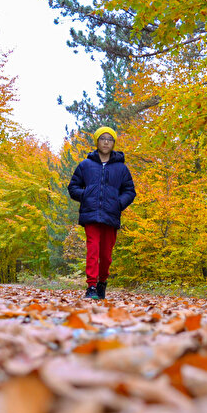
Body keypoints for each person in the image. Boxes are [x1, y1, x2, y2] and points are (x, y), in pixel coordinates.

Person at [67, 126, 135, 300]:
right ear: (97, 141)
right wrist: (87, 196)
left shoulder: (121, 168)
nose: (106, 142)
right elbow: (73, 187)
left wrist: (118, 203)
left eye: (109, 139)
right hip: (91, 214)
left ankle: (102, 282)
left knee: (106, 255)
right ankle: (91, 286)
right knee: (93, 250)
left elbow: (129, 191)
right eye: (102, 138)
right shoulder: (85, 165)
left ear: (113, 143)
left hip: (111, 215)